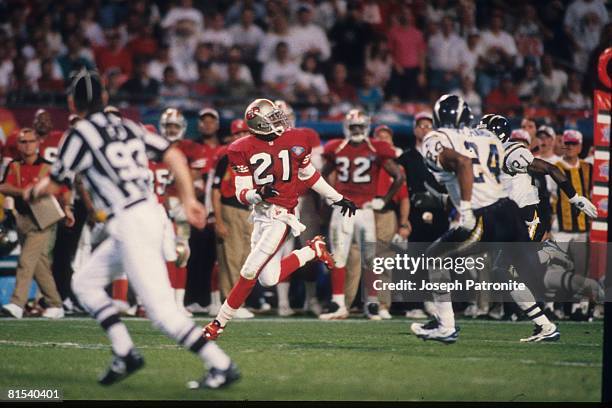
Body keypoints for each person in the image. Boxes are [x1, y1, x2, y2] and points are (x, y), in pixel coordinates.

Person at [25, 69, 238, 388]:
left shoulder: (80, 134)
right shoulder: (128, 126)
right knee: (84, 283)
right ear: (106, 98)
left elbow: (55, 181)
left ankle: (221, 365)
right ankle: (124, 352)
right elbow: (173, 154)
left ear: (72, 102)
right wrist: (190, 198)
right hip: (149, 213)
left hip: (129, 221)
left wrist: (31, 191)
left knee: (161, 312)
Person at [204, 98, 357, 340]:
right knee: (269, 279)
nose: (279, 120)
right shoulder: (239, 148)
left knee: (249, 269)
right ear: (259, 123)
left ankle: (218, 323)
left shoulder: (297, 138)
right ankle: (312, 251)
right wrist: (258, 193)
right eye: (272, 117)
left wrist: (336, 197)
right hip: (261, 216)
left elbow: (309, 174)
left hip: (284, 215)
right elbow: (241, 193)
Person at [411, 94, 559, 343]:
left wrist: (465, 209)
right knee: (505, 272)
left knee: (435, 257)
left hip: (482, 214)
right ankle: (545, 326)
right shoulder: (487, 136)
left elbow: (463, 163)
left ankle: (445, 325)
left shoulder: (436, 139)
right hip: (507, 211)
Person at [318, 109, 405, 321]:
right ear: (347, 127)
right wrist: (331, 194)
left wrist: (383, 200)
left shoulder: (377, 148)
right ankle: (338, 303)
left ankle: (372, 303)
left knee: (369, 258)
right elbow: (323, 173)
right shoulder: (336, 148)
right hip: (343, 210)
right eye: (353, 127)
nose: (356, 130)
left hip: (366, 211)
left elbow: (398, 176)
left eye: (359, 126)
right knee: (339, 255)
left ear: (366, 126)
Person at [0, 128, 69, 319]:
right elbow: (3, 186)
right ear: (18, 145)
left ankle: (17, 303)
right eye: (23, 142)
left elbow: (64, 190)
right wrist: (22, 192)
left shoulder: (48, 167)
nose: (27, 145)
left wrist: (68, 208)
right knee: (40, 265)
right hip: (23, 217)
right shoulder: (14, 166)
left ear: (38, 143)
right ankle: (55, 304)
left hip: (44, 219)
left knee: (25, 261)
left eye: (31, 141)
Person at [211, 119, 256, 318]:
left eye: (244, 132)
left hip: (251, 211)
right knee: (232, 257)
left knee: (247, 258)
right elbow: (215, 191)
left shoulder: (256, 156)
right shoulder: (226, 157)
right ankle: (231, 303)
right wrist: (218, 219)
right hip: (230, 208)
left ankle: (237, 302)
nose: (240, 137)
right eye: (237, 134)